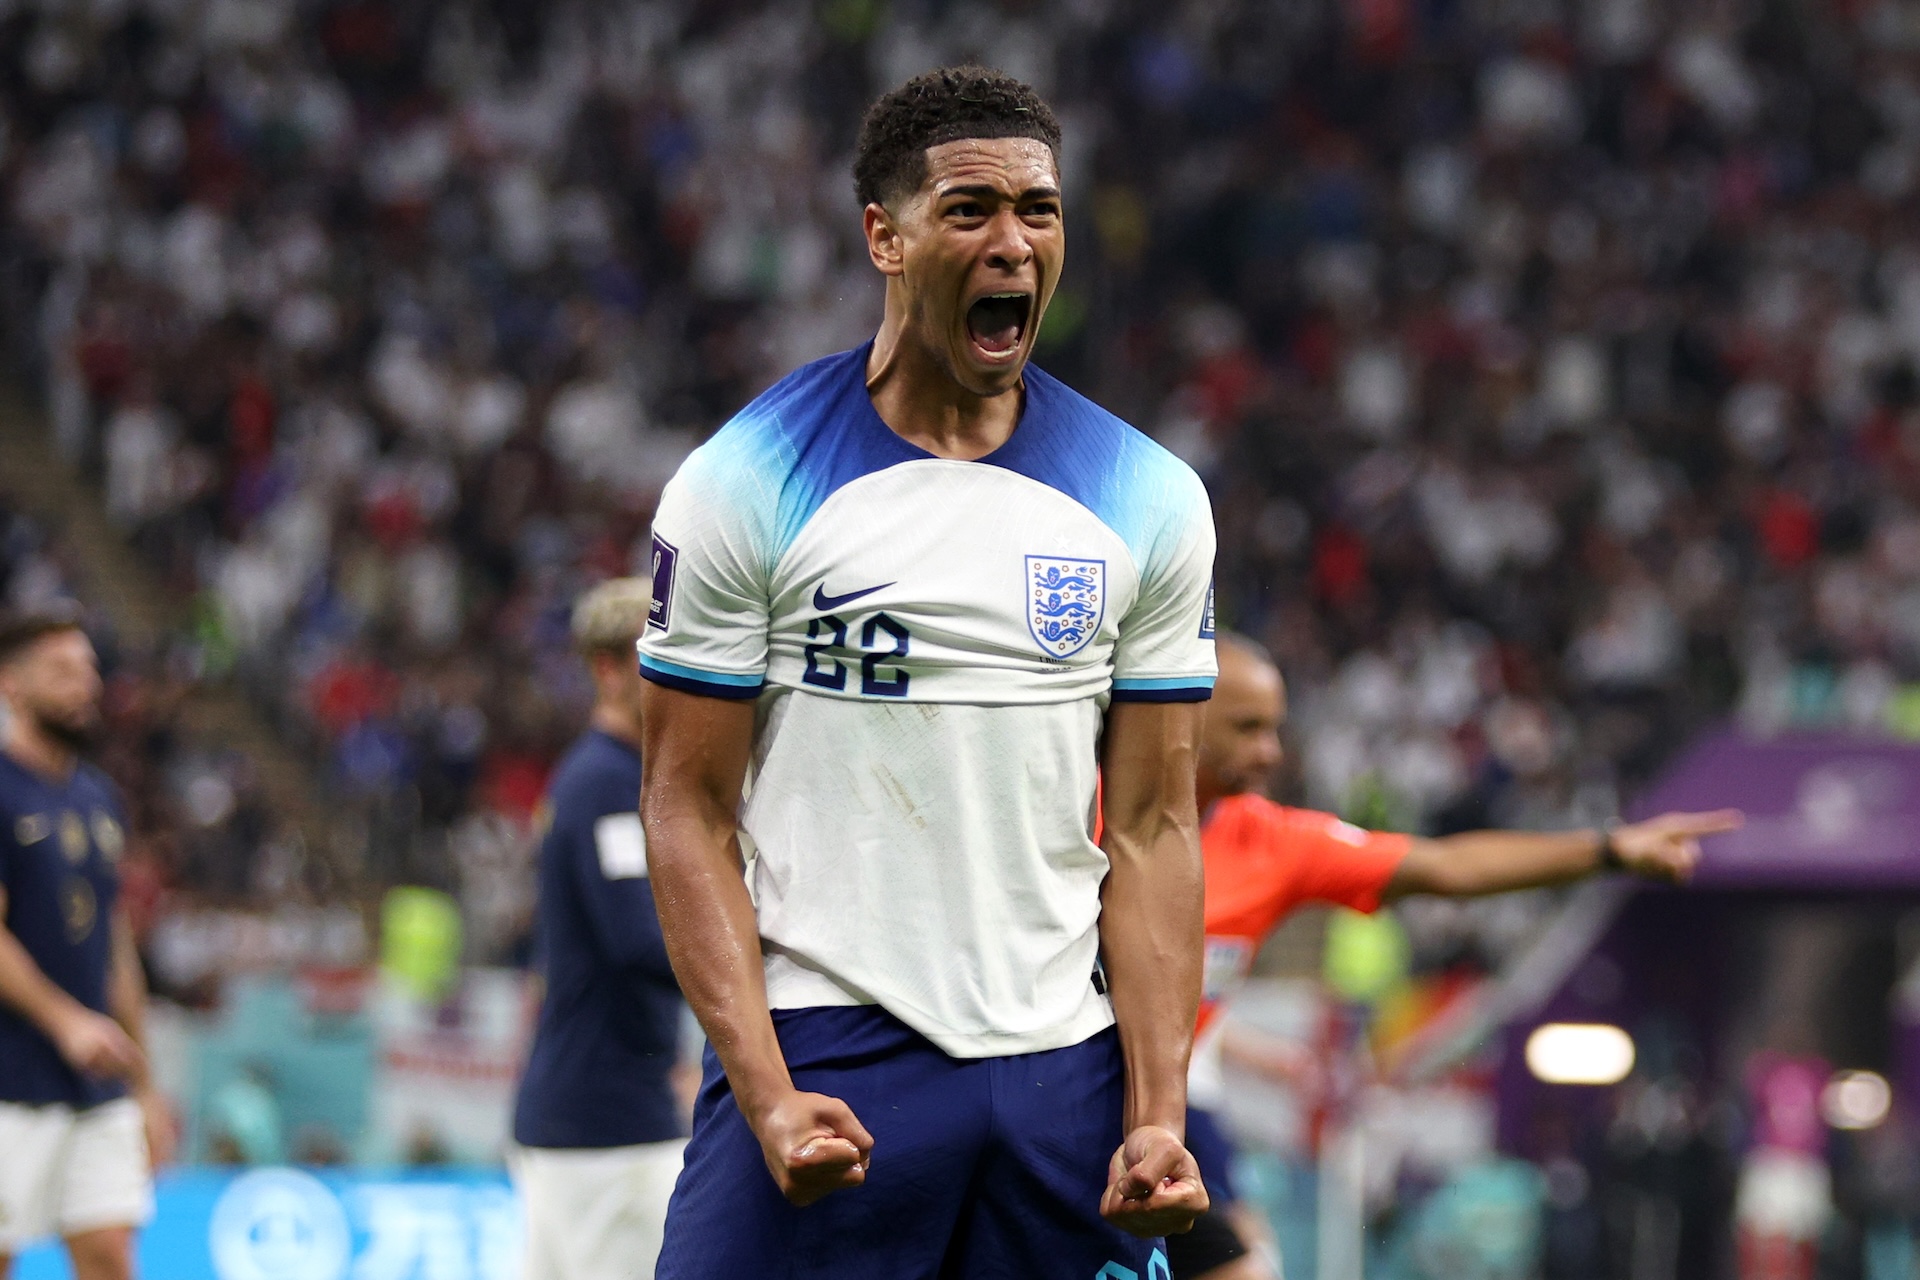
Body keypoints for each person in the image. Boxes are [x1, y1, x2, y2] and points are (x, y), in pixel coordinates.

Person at [639, 65, 1216, 1278]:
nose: (1013, 242)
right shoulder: (744, 480)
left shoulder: (1151, 497)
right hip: (829, 1050)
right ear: (884, 236)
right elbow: (684, 806)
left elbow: (1159, 827)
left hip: (1066, 1067)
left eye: (1039, 210)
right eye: (970, 211)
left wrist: (1157, 1108)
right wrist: (765, 1089)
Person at [1167, 633, 1742, 1280]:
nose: (1271, 752)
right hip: (1066, 1100)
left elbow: (1448, 865)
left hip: (1168, 1107)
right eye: (1248, 729)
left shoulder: (1270, 842)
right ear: (1181, 717)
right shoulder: (1082, 818)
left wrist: (1607, 850)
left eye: (1275, 730)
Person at [511, 579, 688, 1280]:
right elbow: (641, 941)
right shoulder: (605, 786)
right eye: (654, 658)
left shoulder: (608, 780)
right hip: (606, 1124)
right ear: (606, 669)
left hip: (586, 1112)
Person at [0, 612, 171, 1280]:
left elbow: (113, 942)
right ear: (11, 686)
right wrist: (65, 1020)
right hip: (11, 1076)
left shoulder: (98, 798)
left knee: (108, 1256)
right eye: (63, 672)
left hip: (95, 1084)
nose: (85, 686)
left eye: (89, 670)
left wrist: (146, 1085)